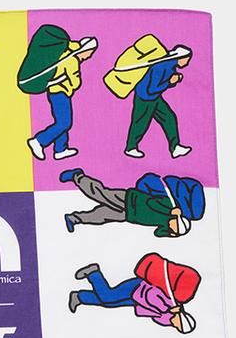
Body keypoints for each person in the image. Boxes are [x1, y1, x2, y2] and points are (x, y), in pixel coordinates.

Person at [24, 33, 98, 161]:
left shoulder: (65, 54)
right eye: (90, 53)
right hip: (60, 93)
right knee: (65, 123)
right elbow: (75, 81)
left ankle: (60, 149)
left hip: (55, 92)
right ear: (84, 50)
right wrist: (74, 84)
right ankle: (39, 141)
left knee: (61, 121)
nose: (89, 56)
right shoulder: (72, 60)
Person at [61, 167, 192, 237]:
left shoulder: (163, 226)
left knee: (101, 216)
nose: (172, 229)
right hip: (128, 199)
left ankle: (74, 218)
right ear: (177, 220)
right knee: (99, 193)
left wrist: (171, 234)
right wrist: (170, 211)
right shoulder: (168, 205)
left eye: (174, 231)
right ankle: (77, 176)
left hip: (128, 215)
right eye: (175, 228)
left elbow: (158, 233)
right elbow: (152, 203)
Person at [68, 263, 196, 333]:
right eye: (179, 324)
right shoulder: (171, 303)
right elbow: (152, 293)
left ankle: (79, 297)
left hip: (138, 301)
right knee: (108, 296)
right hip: (139, 287)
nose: (176, 326)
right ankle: (93, 273)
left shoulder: (167, 320)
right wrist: (165, 308)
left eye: (179, 328)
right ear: (181, 317)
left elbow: (154, 315)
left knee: (109, 304)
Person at [124, 44, 193, 159]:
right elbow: (152, 88)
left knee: (169, 118)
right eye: (187, 59)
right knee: (140, 123)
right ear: (181, 58)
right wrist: (170, 82)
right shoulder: (163, 67)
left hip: (154, 97)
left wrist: (172, 80)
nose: (187, 63)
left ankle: (175, 147)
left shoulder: (170, 66)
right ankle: (131, 148)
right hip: (144, 97)